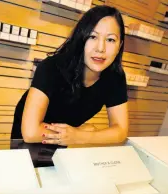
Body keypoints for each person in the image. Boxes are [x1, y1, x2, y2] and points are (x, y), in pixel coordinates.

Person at [11, 5, 129, 146]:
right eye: (92, 36)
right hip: (26, 138)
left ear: (119, 45)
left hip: (65, 136)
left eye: (110, 40)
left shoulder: (115, 77)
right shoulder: (51, 67)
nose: (100, 48)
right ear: (81, 39)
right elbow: (31, 132)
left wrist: (80, 136)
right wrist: (78, 133)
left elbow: (120, 131)